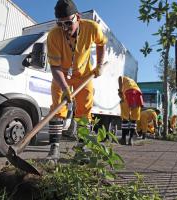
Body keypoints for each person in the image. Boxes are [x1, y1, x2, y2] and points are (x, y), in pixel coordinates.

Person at [45, 0, 107, 162]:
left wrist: (99, 65)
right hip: (62, 76)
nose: (64, 28)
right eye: (60, 24)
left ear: (78, 17)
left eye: (67, 23)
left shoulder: (92, 28)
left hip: (83, 75)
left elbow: (101, 44)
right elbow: (55, 67)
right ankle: (54, 150)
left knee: (84, 110)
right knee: (57, 109)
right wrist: (65, 88)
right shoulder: (53, 36)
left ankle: (82, 148)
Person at [118, 76, 144, 145]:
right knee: (134, 119)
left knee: (125, 118)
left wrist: (120, 91)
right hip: (138, 95)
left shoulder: (124, 78)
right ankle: (131, 139)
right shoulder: (133, 82)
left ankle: (123, 139)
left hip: (128, 92)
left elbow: (120, 77)